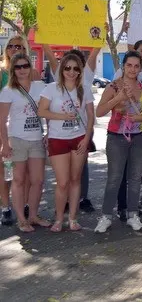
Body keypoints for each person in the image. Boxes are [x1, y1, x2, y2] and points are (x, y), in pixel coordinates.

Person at [94, 51, 142, 233]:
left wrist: (140, 118)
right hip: (116, 137)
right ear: (123, 66)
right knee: (114, 178)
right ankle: (106, 215)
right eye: (129, 65)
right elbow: (99, 112)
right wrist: (118, 98)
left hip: (140, 137)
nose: (132, 69)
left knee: (135, 177)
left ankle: (132, 215)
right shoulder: (113, 87)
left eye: (136, 66)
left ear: (141, 68)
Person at [38, 53, 94, 232]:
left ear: (80, 71)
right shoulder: (51, 89)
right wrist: (61, 116)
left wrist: (87, 138)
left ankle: (73, 218)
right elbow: (41, 111)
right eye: (67, 68)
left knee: (75, 179)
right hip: (58, 139)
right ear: (62, 69)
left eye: (76, 68)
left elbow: (91, 116)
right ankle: (58, 218)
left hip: (79, 138)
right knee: (62, 182)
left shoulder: (85, 89)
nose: (71, 71)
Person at [0, 54, 49, 231]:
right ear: (13, 70)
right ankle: (22, 219)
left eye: (25, 66)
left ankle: (33, 215)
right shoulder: (8, 90)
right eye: (18, 67)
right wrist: (5, 144)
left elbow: (48, 110)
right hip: (17, 140)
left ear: (30, 66)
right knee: (19, 180)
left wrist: (49, 133)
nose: (22, 70)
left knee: (38, 180)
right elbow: (2, 119)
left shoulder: (40, 86)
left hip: (36, 138)